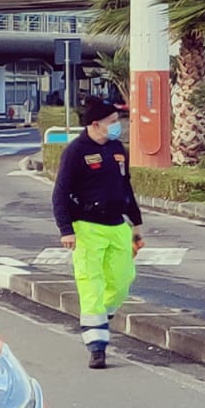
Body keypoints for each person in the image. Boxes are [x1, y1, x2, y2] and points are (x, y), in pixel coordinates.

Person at [53, 96, 144, 369]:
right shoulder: (75, 151)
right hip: (86, 227)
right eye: (113, 122)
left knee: (122, 279)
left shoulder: (117, 148)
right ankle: (96, 346)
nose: (118, 127)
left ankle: (101, 318)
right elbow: (60, 193)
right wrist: (66, 229)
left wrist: (136, 225)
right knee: (91, 284)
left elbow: (125, 187)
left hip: (117, 226)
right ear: (96, 125)